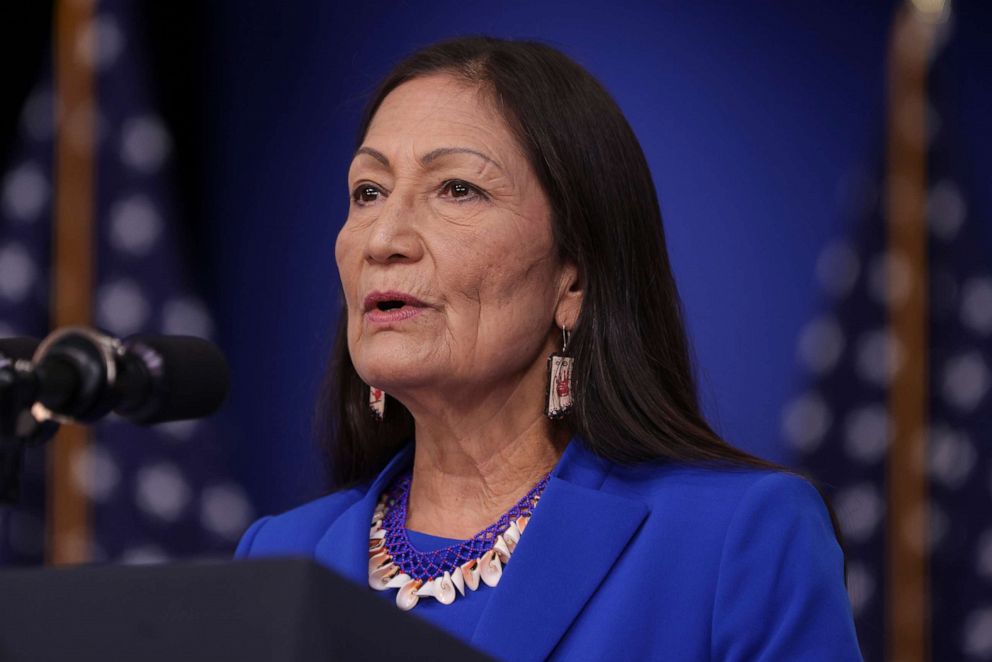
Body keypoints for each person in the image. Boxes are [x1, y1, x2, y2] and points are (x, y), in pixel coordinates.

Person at [235, 36, 862, 660]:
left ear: (575, 278)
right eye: (368, 192)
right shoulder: (275, 557)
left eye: (456, 188)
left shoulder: (739, 540)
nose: (384, 239)